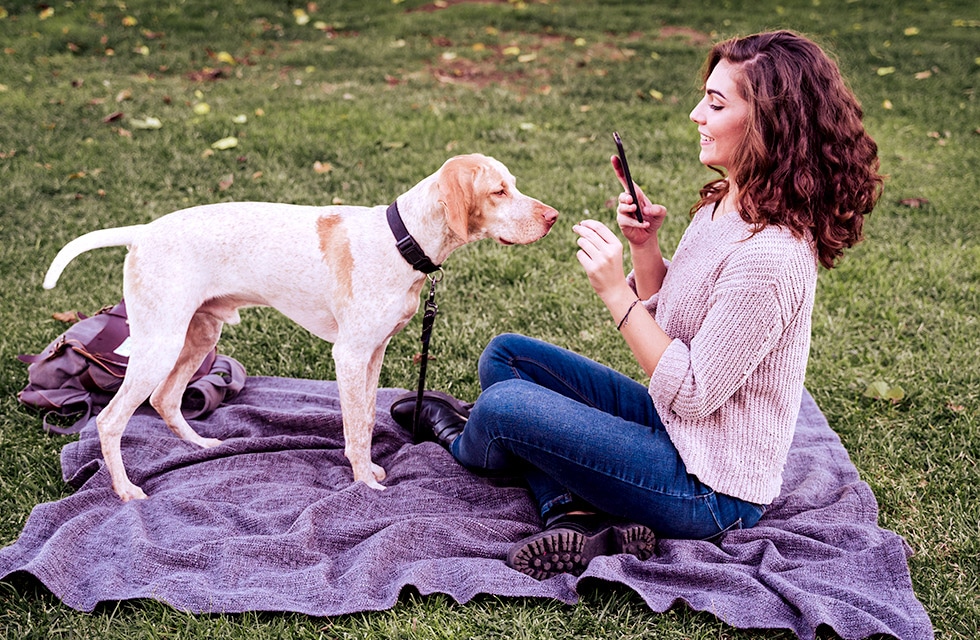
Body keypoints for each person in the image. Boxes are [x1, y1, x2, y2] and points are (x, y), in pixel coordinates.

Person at [391, 30, 883, 580]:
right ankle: (574, 516)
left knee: (505, 408)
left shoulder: (772, 257)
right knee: (506, 359)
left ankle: (467, 443)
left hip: (708, 488)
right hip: (673, 431)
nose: (697, 113)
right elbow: (678, 319)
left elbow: (695, 392)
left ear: (769, 124)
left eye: (717, 104)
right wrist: (645, 249)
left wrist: (615, 292)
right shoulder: (728, 202)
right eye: (705, 96)